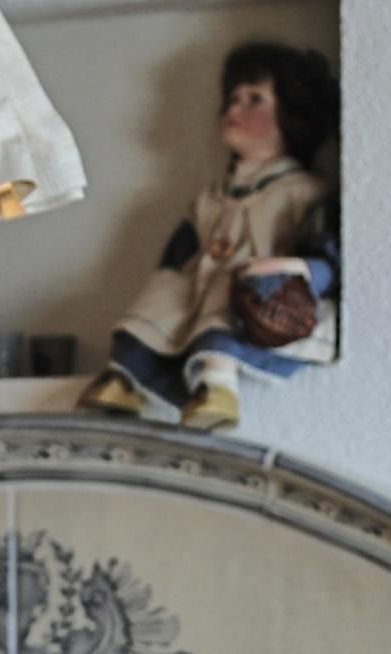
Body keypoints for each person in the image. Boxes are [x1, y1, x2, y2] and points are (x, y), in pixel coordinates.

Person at [81, 39, 338, 433]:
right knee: (164, 291)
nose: (234, 110)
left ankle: (217, 383)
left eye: (254, 100)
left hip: (264, 298)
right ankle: (125, 374)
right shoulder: (213, 195)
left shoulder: (302, 191)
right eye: (232, 99)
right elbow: (183, 248)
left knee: (226, 290)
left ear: (293, 114)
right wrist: (171, 273)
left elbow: (324, 249)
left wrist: (302, 271)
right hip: (199, 289)